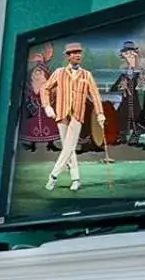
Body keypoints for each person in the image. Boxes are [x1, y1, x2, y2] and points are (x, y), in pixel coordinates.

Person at [43, 42, 105, 191]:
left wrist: (100, 113)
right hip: (62, 114)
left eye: (79, 52)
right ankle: (76, 179)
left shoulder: (86, 75)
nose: (78, 55)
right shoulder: (59, 72)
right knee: (68, 148)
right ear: (68, 56)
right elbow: (45, 88)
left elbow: (95, 95)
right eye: (74, 52)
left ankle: (53, 176)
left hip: (77, 115)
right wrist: (47, 106)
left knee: (69, 146)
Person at [19, 46, 59, 150]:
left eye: (40, 73)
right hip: (34, 110)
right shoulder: (30, 87)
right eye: (36, 72)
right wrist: (32, 104)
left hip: (46, 110)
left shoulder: (48, 87)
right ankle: (32, 144)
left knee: (49, 125)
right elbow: (28, 96)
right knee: (32, 126)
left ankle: (51, 143)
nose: (37, 74)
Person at [114, 41, 144, 145]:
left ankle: (136, 134)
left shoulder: (141, 70)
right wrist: (121, 86)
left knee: (138, 114)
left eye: (131, 53)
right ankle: (123, 134)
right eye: (127, 53)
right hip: (125, 100)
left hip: (137, 99)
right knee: (122, 114)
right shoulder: (122, 72)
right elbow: (115, 87)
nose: (129, 56)